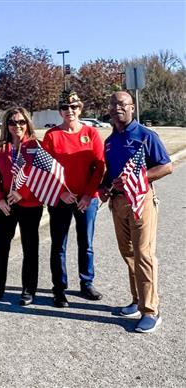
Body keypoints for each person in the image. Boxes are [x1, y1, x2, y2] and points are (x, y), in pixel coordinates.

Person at [99, 91, 172, 333]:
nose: (116, 108)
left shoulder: (145, 136)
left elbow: (166, 166)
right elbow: (110, 173)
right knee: (128, 253)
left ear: (132, 108)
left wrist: (141, 177)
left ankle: (151, 310)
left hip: (140, 200)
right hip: (118, 204)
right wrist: (103, 187)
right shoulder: (110, 141)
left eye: (121, 104)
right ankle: (137, 300)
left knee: (144, 254)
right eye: (112, 104)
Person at [42, 89, 105, 308]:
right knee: (59, 244)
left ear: (81, 109)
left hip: (87, 198)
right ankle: (59, 288)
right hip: (61, 198)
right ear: (60, 111)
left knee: (85, 242)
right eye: (65, 108)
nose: (70, 111)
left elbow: (99, 166)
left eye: (74, 107)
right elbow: (45, 168)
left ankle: (86, 283)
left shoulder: (91, 133)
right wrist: (61, 192)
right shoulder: (52, 136)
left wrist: (88, 195)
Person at [0, 107, 44, 306]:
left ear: (27, 123)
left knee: (30, 247)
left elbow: (42, 177)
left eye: (21, 122)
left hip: (30, 204)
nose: (17, 126)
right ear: (6, 125)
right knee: (0, 247)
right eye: (12, 122)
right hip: (5, 206)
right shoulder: (1, 148)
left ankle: (28, 290)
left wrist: (23, 193)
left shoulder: (36, 146)